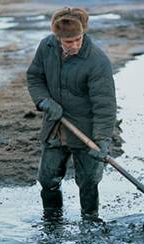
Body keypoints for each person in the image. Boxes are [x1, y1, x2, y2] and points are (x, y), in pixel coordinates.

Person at [26, 7, 117, 222]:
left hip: (86, 130)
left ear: (83, 32)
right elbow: (34, 77)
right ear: (57, 38)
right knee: (48, 179)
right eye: (68, 42)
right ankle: (52, 219)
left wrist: (103, 139)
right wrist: (44, 101)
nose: (74, 45)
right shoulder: (46, 47)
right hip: (55, 127)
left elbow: (104, 105)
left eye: (78, 39)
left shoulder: (97, 61)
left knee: (88, 182)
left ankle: (90, 220)